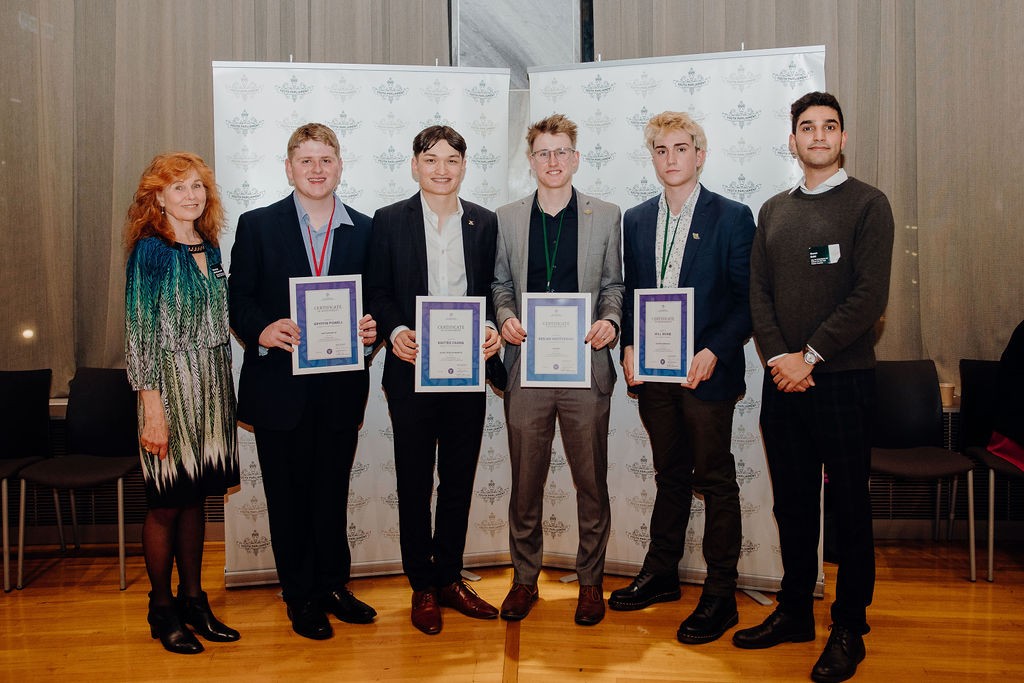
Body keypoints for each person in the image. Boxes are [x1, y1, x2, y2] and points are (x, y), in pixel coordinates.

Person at [738, 92, 894, 683]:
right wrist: (782, 358)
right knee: (793, 503)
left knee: (850, 506)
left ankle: (849, 624)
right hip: (784, 382)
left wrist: (809, 357)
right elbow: (759, 294)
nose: (819, 136)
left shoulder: (868, 205)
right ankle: (795, 611)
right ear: (793, 140)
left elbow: (868, 298)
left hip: (843, 380)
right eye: (808, 128)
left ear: (843, 138)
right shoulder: (774, 210)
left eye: (830, 127)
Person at [228, 123, 378, 640]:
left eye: (326, 160)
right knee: (288, 498)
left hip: (338, 390)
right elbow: (239, 300)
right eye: (307, 160)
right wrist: (263, 330)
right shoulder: (257, 225)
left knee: (331, 492)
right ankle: (301, 595)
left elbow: (376, 301)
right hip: (279, 392)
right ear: (289, 168)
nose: (317, 170)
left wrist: (372, 328)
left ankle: (334, 585)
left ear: (340, 166)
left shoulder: (365, 228)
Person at [610, 111, 755, 646]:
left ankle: (720, 593)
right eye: (660, 150)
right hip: (653, 376)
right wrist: (627, 341)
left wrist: (715, 349)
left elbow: (746, 302)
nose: (670, 158)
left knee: (714, 480)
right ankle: (662, 572)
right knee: (670, 472)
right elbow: (628, 292)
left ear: (700, 153)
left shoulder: (733, 217)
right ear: (652, 159)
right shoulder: (637, 219)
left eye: (680, 148)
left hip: (704, 376)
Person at [365, 125, 501, 635]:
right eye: (430, 159)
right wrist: (396, 329)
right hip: (411, 371)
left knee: (459, 479)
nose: (441, 169)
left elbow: (494, 288)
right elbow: (377, 289)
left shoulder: (484, 223)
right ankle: (421, 584)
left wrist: (490, 328)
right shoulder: (388, 221)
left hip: (466, 372)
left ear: (464, 167)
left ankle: (449, 577)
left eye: (451, 160)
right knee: (415, 480)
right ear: (415, 165)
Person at [491, 114, 623, 626]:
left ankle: (591, 583)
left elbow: (615, 285)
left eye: (561, 151)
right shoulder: (507, 218)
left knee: (592, 482)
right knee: (526, 483)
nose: (552, 161)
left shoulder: (606, 215)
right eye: (543, 153)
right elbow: (499, 283)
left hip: (585, 368)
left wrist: (611, 321)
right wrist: (504, 317)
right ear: (531, 161)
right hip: (527, 369)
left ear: (576, 157)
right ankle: (525, 581)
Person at [124, 152, 241, 654]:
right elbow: (138, 333)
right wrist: (152, 409)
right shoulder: (150, 251)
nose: (191, 195)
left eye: (197, 186)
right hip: (167, 388)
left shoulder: (209, 246)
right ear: (157, 197)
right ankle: (161, 607)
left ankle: (195, 601)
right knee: (167, 502)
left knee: (196, 497)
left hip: (211, 386)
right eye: (178, 188)